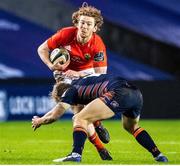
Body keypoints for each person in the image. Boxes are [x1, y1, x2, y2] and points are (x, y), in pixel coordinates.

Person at [32, 73, 168, 163]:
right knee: (131, 127)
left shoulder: (70, 90)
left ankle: (75, 154)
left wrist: (39, 121)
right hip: (136, 93)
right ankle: (158, 154)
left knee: (78, 118)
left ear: (62, 95)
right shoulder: (81, 83)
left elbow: (56, 114)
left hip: (118, 92)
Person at [37, 2, 111, 160]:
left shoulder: (97, 44)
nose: (84, 26)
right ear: (77, 23)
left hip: (87, 74)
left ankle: (97, 126)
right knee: (79, 113)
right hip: (65, 75)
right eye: (82, 22)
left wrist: (79, 76)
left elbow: (101, 75)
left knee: (83, 112)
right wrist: (51, 65)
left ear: (95, 28)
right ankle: (101, 149)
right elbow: (41, 49)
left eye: (89, 24)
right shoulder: (65, 34)